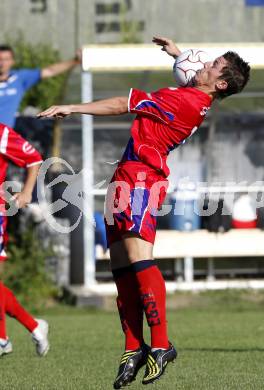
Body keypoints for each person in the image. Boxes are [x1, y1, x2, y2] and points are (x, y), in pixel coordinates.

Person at [37, 36, 250, 387]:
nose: (202, 64)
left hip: (141, 180)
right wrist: (178, 54)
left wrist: (72, 107)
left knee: (139, 261)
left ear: (221, 83)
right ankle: (134, 347)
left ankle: (162, 344)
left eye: (211, 65)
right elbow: (192, 74)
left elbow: (124, 103)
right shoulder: (195, 97)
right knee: (120, 265)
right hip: (126, 176)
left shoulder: (184, 100)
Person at [0, 123, 49, 357]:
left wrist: (27, 192)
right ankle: (33, 326)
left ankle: (2, 338)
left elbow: (33, 158)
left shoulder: (1, 133)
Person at [0, 44, 82, 128]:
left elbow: (50, 71)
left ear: (12, 61)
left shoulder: (19, 78)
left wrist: (75, 61)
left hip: (6, 135)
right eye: (0, 59)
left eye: (6, 59)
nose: (2, 63)